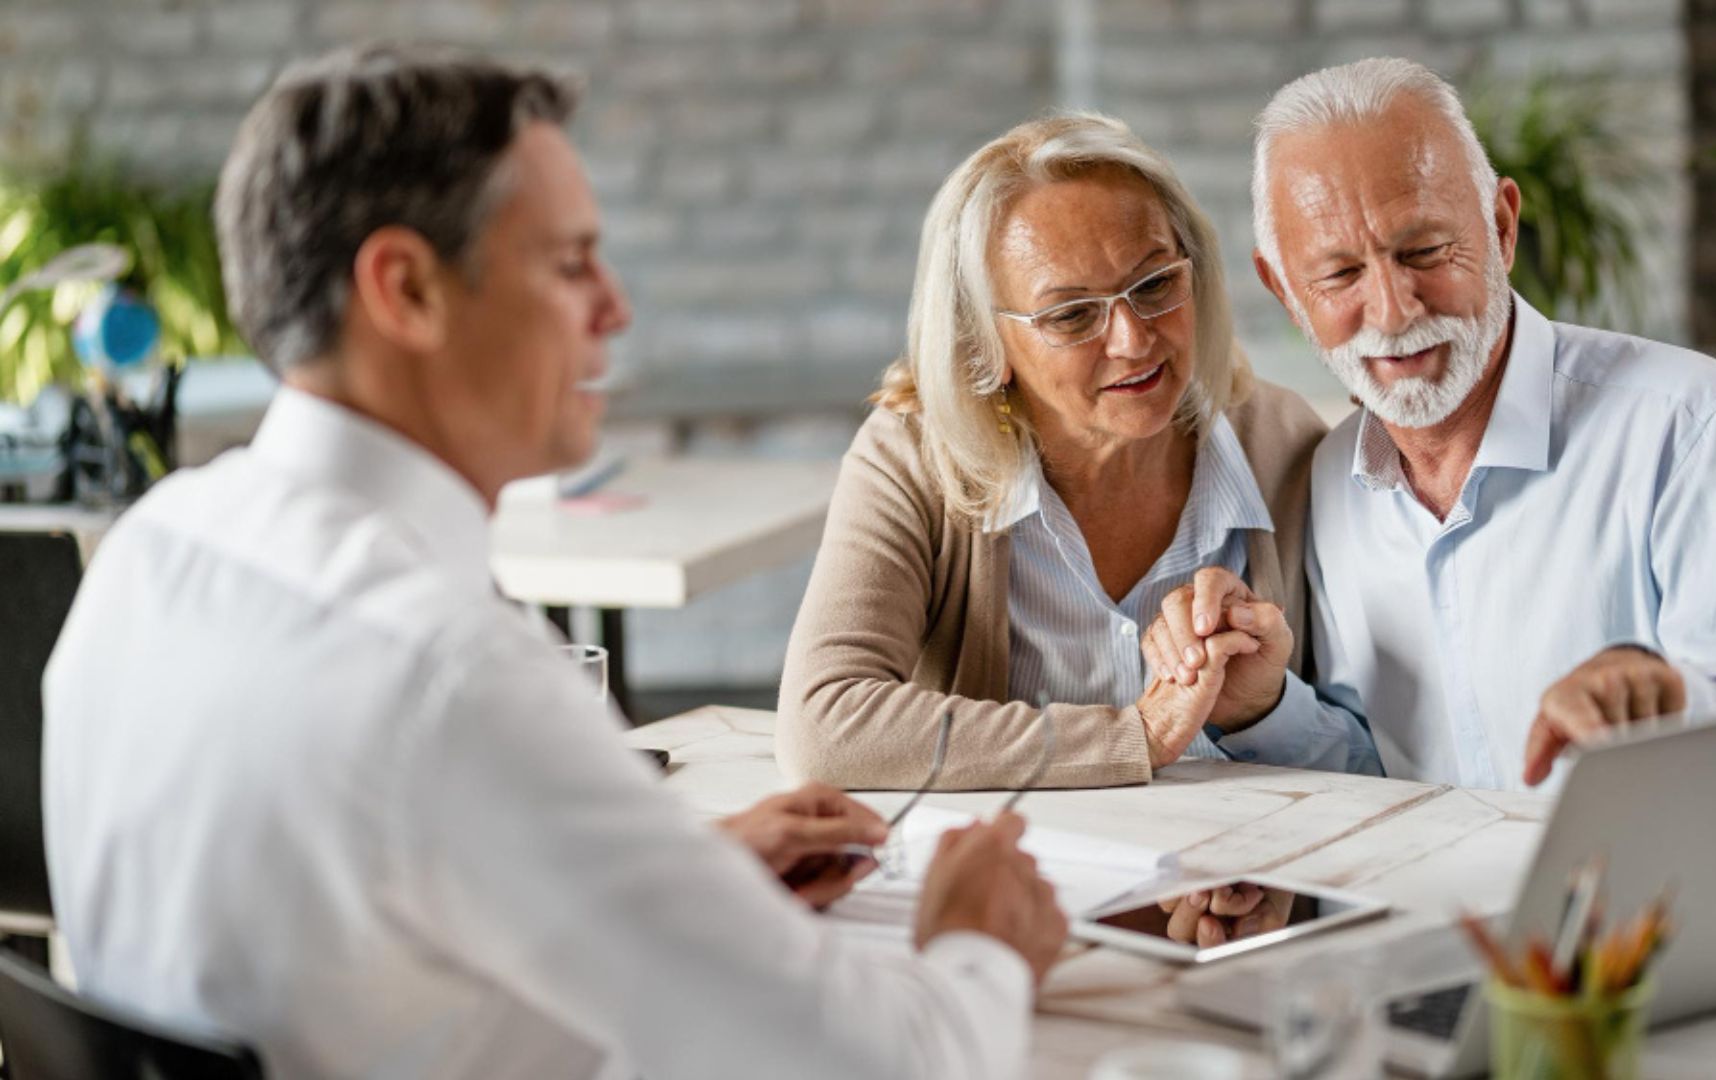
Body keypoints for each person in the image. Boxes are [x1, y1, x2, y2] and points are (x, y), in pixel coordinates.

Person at [41, 46, 1065, 1080]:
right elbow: (888, 1066)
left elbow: (349, 931)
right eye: (571, 264)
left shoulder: (149, 555)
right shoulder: (450, 675)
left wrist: (673, 881)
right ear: (406, 290)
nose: (614, 310)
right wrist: (976, 941)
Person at [1143, 57, 1716, 792]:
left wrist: (1670, 701)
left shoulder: (1685, 421)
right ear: (1288, 294)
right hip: (1441, 904)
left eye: (1424, 251)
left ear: (1501, 228)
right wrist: (1262, 706)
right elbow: (1385, 773)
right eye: (1339, 276)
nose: (1393, 312)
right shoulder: (1332, 478)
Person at [775, 113, 1381, 792]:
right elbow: (824, 727)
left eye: (1154, 286)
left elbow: (1376, 757)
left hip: (1238, 881)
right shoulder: (915, 458)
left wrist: (1263, 711)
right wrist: (1137, 737)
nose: (1131, 339)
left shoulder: (1286, 444)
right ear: (986, 346)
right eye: (1070, 315)